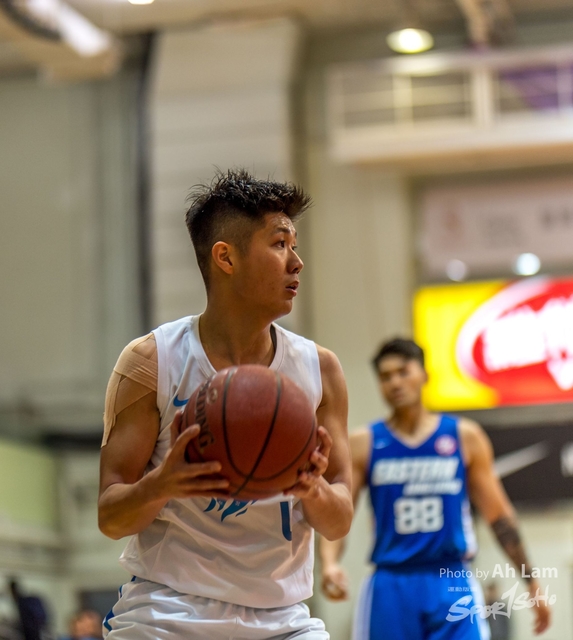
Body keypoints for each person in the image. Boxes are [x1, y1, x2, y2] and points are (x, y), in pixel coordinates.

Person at [98, 169, 353, 639]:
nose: (297, 262)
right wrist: (162, 483)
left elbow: (339, 521)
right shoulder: (152, 361)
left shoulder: (320, 369)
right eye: (280, 244)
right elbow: (110, 517)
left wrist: (311, 487)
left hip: (283, 618)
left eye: (295, 246)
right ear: (226, 257)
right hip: (167, 612)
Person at [319, 338, 551, 640]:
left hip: (451, 579)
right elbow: (338, 511)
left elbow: (500, 517)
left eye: (403, 372)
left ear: (425, 375)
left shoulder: (464, 437)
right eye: (386, 376)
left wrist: (531, 582)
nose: (395, 382)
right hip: (392, 583)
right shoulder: (365, 442)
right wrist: (329, 564)